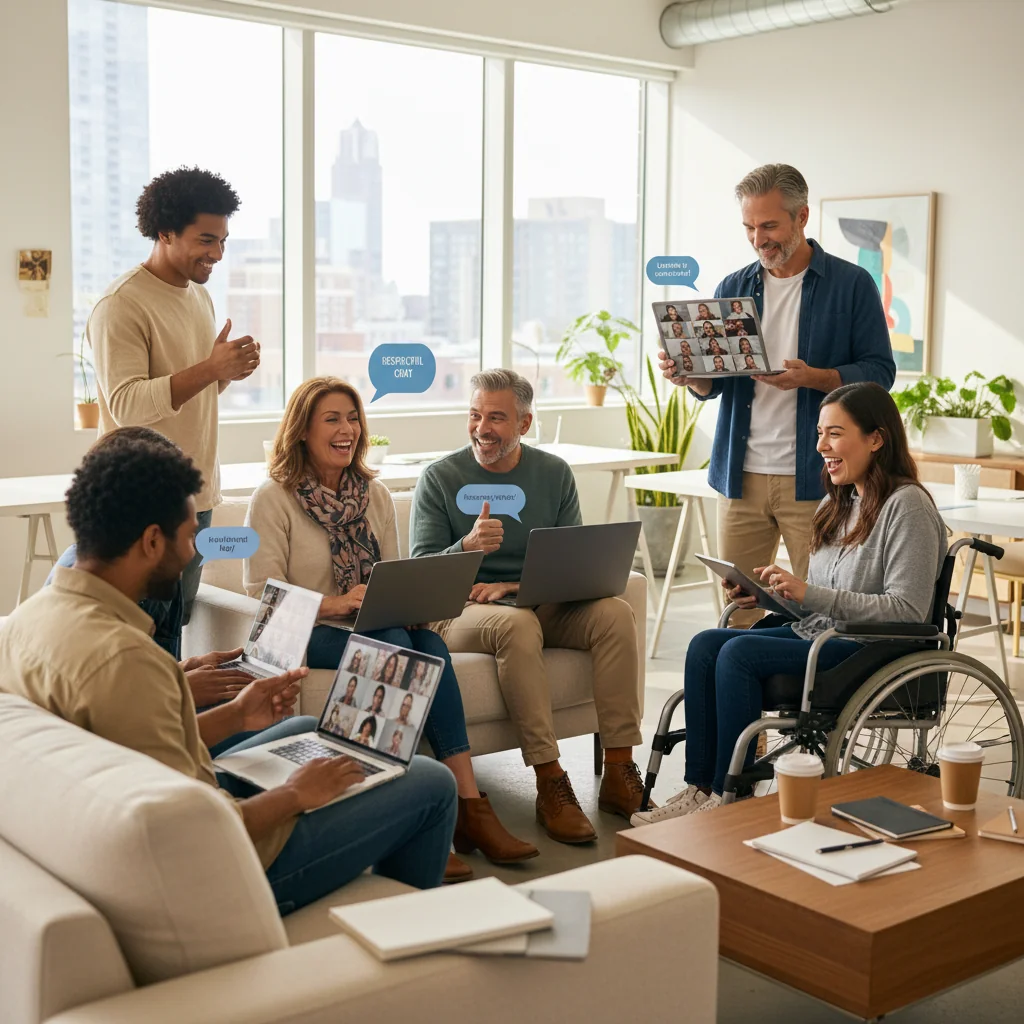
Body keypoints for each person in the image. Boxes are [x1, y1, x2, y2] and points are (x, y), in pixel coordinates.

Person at [0, 435, 458, 908]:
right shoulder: (125, 661)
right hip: (227, 868)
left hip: (140, 810)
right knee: (431, 783)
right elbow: (200, 836)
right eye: (189, 533)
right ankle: (407, 935)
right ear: (152, 540)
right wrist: (296, 796)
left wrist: (237, 716)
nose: (194, 550)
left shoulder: (30, 619)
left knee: (303, 728)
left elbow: (126, 751)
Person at [244, 376, 536, 876]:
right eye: (332, 419)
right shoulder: (273, 497)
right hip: (303, 630)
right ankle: (404, 814)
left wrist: (409, 601)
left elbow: (396, 573)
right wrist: (337, 605)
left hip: (370, 622)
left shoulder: (372, 493)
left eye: (353, 418)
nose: (347, 430)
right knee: (395, 641)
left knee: (422, 640)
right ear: (301, 432)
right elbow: (261, 594)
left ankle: (467, 804)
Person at [632, 382, 946, 823]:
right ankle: (699, 788)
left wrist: (808, 593)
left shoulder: (907, 507)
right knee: (706, 644)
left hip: (871, 646)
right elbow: (817, 607)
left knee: (739, 652)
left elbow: (907, 611)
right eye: (819, 434)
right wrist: (770, 598)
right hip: (827, 634)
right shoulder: (836, 504)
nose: (821, 446)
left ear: (876, 438)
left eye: (834, 434)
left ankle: (730, 797)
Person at [410, 368, 650, 843]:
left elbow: (571, 564)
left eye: (496, 417)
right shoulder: (439, 478)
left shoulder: (553, 473)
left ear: (524, 423)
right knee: (517, 626)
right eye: (475, 415)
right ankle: (550, 780)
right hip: (462, 609)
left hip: (536, 599)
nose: (482, 428)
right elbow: (422, 572)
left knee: (615, 614)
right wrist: (468, 546)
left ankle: (620, 773)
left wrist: (513, 586)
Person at [658, 163, 895, 625]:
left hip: (816, 477)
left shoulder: (851, 286)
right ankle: (741, 693)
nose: (758, 238)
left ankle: (806, 697)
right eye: (749, 227)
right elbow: (717, 384)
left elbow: (880, 373)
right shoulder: (733, 287)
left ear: (801, 216)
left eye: (769, 225)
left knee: (818, 611)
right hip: (739, 477)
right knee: (736, 611)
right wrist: (690, 376)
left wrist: (815, 378)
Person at [84, 167, 262, 656]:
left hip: (196, 498)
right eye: (206, 240)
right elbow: (126, 406)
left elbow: (185, 397)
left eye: (223, 241)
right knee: (143, 642)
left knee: (173, 635)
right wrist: (208, 369)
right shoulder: (121, 305)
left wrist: (225, 372)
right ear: (164, 231)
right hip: (145, 505)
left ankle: (173, 732)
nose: (217, 254)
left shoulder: (198, 295)